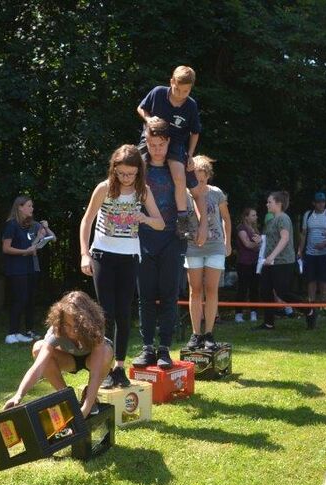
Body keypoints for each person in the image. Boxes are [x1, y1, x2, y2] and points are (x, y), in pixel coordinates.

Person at [80, 144, 164, 388]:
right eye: (121, 173)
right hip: (102, 254)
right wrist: (85, 254)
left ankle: (118, 368)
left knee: (123, 314)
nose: (126, 178)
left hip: (129, 257)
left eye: (131, 174)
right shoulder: (104, 188)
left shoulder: (143, 191)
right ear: (113, 169)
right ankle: (103, 368)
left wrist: (145, 219)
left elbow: (159, 223)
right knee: (105, 313)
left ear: (139, 171)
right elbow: (87, 222)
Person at [3, 291, 114, 419]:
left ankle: (89, 396)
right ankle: (67, 397)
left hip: (93, 359)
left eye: (77, 325)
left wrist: (86, 408)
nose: (72, 331)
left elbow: (95, 373)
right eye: (67, 325)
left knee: (106, 352)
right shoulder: (56, 330)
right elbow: (38, 367)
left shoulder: (95, 328)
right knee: (38, 348)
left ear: (86, 321)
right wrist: (19, 395)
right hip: (68, 359)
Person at [131, 118, 183, 369]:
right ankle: (147, 348)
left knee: (169, 296)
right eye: (152, 144)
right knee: (145, 297)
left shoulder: (177, 167)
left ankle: (164, 348)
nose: (157, 149)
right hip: (143, 238)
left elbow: (196, 191)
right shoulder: (138, 169)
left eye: (161, 144)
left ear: (168, 142)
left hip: (172, 238)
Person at [137, 65, 207, 245]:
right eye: (178, 89)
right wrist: (148, 119)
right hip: (152, 138)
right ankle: (134, 207)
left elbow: (195, 132)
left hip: (175, 143)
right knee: (136, 168)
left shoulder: (190, 105)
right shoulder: (158, 93)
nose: (181, 94)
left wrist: (190, 155)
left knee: (179, 175)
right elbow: (141, 108)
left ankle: (182, 220)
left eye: (186, 91)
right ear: (171, 82)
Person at [184, 155, 232, 350]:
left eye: (203, 178)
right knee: (195, 289)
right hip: (192, 246)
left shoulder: (216, 193)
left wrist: (227, 243)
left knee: (211, 289)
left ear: (208, 176)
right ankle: (196, 334)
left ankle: (209, 333)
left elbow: (226, 219)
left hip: (215, 246)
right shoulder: (185, 193)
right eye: (196, 177)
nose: (199, 182)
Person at [2, 195, 56, 344]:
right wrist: (25, 251)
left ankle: (20, 332)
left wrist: (38, 239)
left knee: (27, 300)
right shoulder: (11, 225)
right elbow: (6, 248)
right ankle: (11, 333)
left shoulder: (29, 225)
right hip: (16, 269)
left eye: (32, 206)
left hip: (29, 268)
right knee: (19, 299)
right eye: (29, 206)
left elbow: (33, 245)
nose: (32, 209)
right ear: (20, 207)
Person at [256, 191, 310, 330]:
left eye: (270, 202)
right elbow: (271, 239)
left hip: (283, 262)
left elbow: (284, 238)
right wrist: (260, 240)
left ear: (278, 204)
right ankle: (269, 323)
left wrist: (272, 256)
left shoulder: (283, 218)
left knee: (283, 293)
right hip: (270, 262)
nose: (267, 204)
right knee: (265, 291)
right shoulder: (272, 219)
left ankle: (309, 310)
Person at [297, 192, 326, 306]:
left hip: (325, 253)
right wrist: (300, 250)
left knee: (324, 279)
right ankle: (311, 303)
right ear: (314, 203)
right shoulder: (308, 215)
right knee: (311, 279)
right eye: (319, 202)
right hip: (310, 253)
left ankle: (324, 304)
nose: (321, 204)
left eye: (323, 202)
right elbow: (304, 233)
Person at [234, 206, 261, 323]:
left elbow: (258, 245)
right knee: (242, 288)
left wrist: (259, 244)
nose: (256, 217)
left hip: (255, 262)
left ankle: (254, 312)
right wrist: (259, 243)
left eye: (256, 215)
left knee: (254, 288)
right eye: (253, 215)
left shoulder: (255, 229)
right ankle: (238, 314)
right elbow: (247, 244)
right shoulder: (241, 228)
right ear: (246, 217)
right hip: (244, 263)